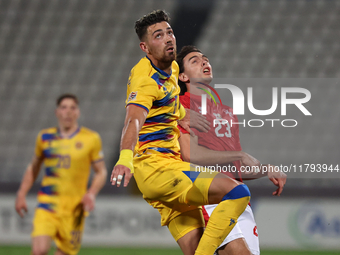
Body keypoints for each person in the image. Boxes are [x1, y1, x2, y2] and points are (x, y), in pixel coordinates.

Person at [110, 10, 259, 255]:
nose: (168, 38)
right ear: (145, 47)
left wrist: (181, 113)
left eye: (169, 32)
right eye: (158, 35)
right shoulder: (146, 81)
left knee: (196, 247)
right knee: (237, 191)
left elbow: (165, 103)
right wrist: (124, 158)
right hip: (159, 168)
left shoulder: (170, 69)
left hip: (161, 174)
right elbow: (133, 121)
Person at [176, 45, 287, 255]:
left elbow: (234, 168)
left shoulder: (227, 113)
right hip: (209, 195)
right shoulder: (182, 107)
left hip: (237, 197)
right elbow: (191, 154)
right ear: (182, 76)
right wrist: (240, 154)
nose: (204, 62)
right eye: (195, 61)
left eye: (205, 59)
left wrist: (265, 169)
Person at [15, 94, 107, 255]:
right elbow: (33, 168)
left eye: (72, 108)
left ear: (78, 112)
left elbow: (101, 172)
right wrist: (21, 193)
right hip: (47, 204)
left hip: (75, 209)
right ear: (57, 112)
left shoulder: (90, 138)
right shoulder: (45, 137)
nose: (68, 112)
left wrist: (91, 194)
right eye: (64, 107)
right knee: (39, 250)